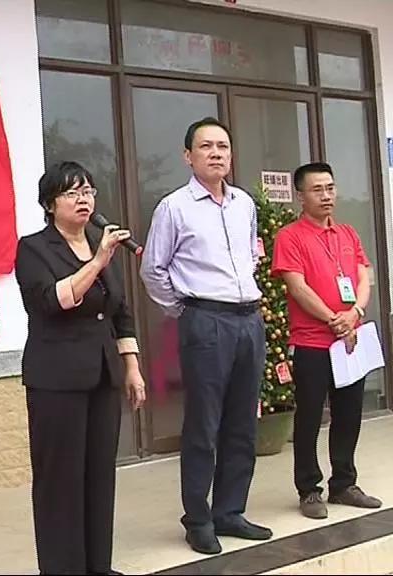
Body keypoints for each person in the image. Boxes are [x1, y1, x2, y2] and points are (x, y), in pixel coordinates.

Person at [140, 117, 271, 555]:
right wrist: (186, 309)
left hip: (248, 320)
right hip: (206, 320)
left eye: (223, 146)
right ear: (188, 156)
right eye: (206, 146)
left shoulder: (243, 204)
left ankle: (230, 511)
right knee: (204, 423)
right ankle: (198, 518)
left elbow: (250, 255)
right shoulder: (174, 207)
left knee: (242, 421)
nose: (216, 153)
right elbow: (153, 269)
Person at [15, 161, 147, 575]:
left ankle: (97, 566)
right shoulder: (34, 248)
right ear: (49, 204)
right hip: (56, 379)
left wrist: (131, 367)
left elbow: (120, 311)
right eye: (72, 193)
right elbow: (52, 301)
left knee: (98, 475)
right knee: (60, 481)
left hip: (103, 374)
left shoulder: (97, 241)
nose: (83, 199)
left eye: (88, 191)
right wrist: (98, 261)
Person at [271, 162, 382, 520]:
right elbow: (297, 287)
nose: (326, 195)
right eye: (317, 189)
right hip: (312, 343)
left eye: (330, 188)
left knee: (349, 414)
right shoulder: (290, 236)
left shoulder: (348, 233)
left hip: (350, 340)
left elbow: (363, 278)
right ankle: (309, 489)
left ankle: (344, 483)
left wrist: (355, 312)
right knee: (308, 417)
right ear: (301, 196)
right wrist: (334, 319)